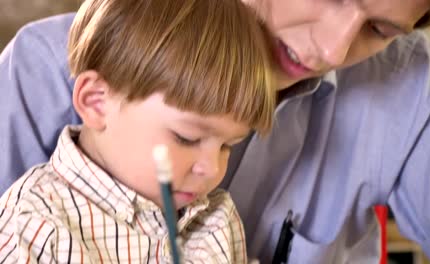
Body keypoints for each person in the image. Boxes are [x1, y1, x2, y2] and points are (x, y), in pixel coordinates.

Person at [0, 0, 430, 263]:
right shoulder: (39, 72)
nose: (332, 48)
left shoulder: (419, 91)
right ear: (94, 101)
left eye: (379, 29)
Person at [0, 0, 276, 262]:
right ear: (96, 102)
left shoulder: (218, 217)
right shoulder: (32, 228)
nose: (213, 169)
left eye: (227, 145)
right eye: (187, 138)